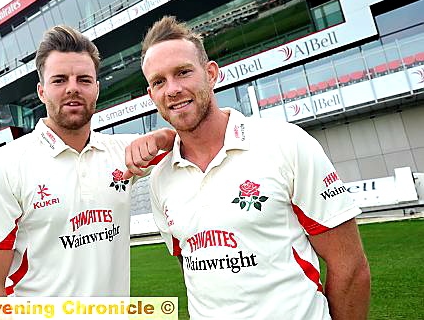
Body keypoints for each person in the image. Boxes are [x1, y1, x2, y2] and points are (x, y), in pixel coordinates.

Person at [136, 16, 371, 319]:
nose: (173, 89)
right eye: (159, 82)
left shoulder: (285, 143)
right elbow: (191, 267)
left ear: (211, 74)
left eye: (183, 72)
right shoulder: (160, 179)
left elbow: (350, 267)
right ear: (151, 94)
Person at [0, 25, 175, 297]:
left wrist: (162, 137)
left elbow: (190, 145)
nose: (73, 89)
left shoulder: (123, 153)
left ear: (96, 89)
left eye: (83, 80)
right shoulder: (5, 165)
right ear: (41, 91)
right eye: (60, 80)